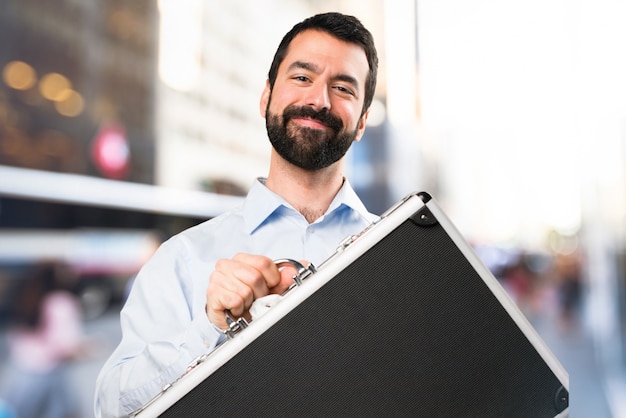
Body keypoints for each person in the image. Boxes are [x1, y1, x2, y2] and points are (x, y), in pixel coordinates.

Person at [94, 11, 379, 417]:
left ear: (363, 120)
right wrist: (209, 329)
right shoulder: (182, 258)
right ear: (266, 96)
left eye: (343, 87)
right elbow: (111, 408)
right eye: (302, 77)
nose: (319, 100)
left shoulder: (397, 256)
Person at [0, 262, 85, 418]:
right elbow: (66, 346)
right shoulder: (61, 302)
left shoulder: (27, 296)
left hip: (20, 372)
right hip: (48, 374)